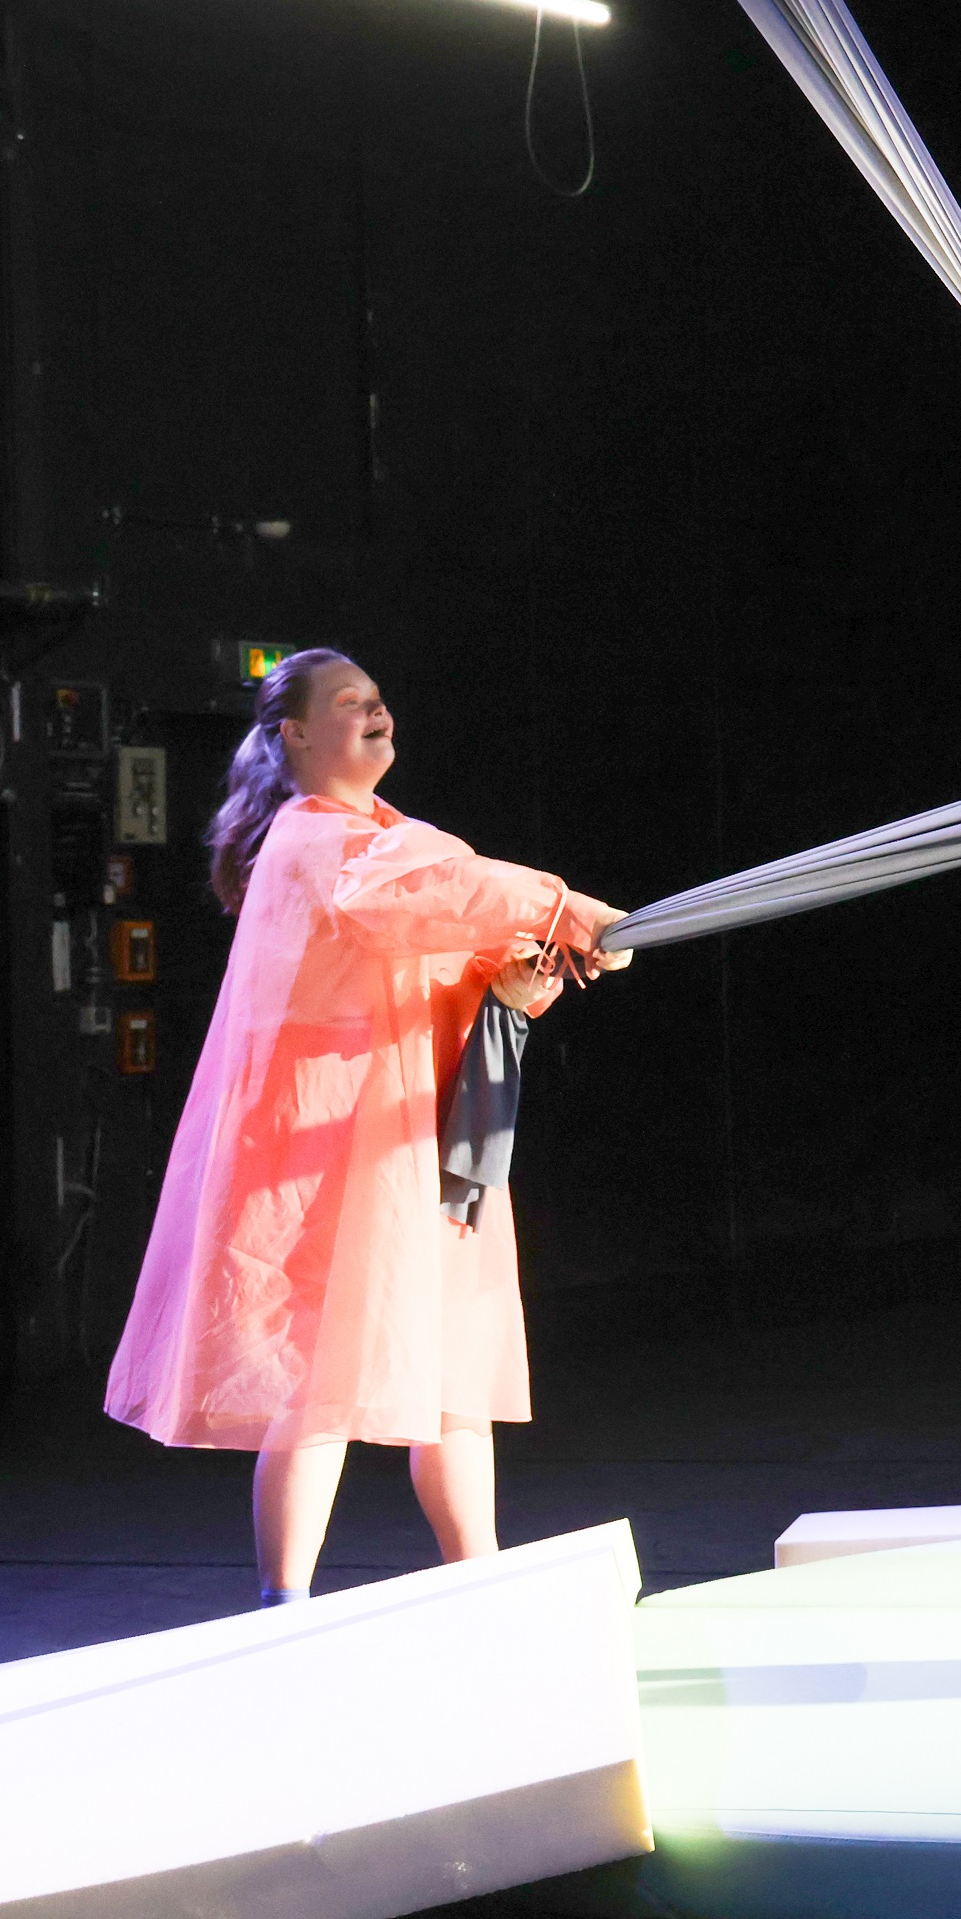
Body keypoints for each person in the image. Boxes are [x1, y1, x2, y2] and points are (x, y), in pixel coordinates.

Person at [105, 649, 629, 1608]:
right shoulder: (314, 841)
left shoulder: (404, 841)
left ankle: (479, 1583)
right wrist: (562, 907)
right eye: (351, 703)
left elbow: (451, 951)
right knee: (317, 1376)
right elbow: (420, 902)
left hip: (413, 1141)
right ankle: (285, 1602)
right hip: (330, 1153)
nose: (376, 712)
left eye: (380, 699)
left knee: (452, 1374)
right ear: (296, 733)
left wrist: (518, 982)